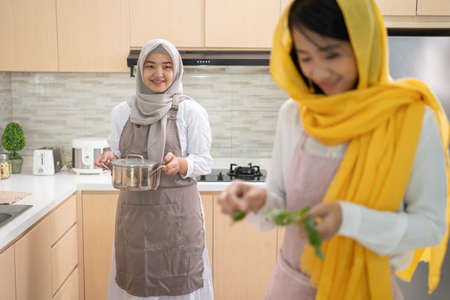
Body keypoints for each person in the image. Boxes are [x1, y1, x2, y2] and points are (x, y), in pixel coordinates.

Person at [217, 0, 450, 299]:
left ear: (363, 44)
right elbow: (280, 207)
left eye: (332, 54)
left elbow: (431, 227)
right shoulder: (294, 114)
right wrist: (258, 201)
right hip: (291, 287)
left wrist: (349, 219)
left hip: (364, 289)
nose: (319, 71)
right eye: (305, 57)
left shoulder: (411, 119)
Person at [95, 39, 214, 300]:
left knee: (180, 281)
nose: (158, 74)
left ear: (177, 70)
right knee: (136, 283)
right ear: (139, 70)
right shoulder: (122, 112)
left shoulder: (190, 111)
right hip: (135, 218)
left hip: (177, 218)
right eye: (150, 66)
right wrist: (109, 157)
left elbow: (205, 162)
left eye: (166, 66)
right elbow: (118, 152)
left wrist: (182, 164)